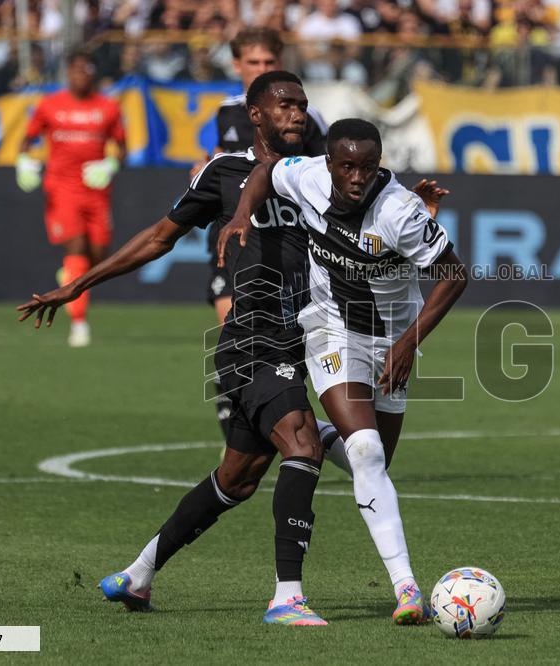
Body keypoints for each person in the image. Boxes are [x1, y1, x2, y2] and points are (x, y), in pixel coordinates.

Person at [17, 71, 330, 626]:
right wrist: (79, 284)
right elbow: (160, 237)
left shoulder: (318, 176)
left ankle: (137, 575)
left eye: (302, 105)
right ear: (256, 115)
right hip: (250, 339)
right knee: (302, 444)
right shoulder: (224, 173)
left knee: (237, 479)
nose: (298, 114)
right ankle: (287, 598)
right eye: (285, 104)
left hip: (299, 339)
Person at [218, 118, 468, 624]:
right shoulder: (308, 175)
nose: (357, 178)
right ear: (329, 162)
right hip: (331, 328)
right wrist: (243, 212)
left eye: (368, 167)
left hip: (393, 340)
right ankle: (407, 589)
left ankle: (293, 426)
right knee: (367, 450)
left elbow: (455, 275)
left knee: (373, 463)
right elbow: (265, 171)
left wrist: (407, 343)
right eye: (347, 166)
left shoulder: (399, 212)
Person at [204, 28, 328, 437]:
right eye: (253, 62)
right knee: (232, 330)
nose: (260, 68)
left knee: (279, 344)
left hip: (285, 237)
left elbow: (328, 173)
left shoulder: (307, 118)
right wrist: (204, 166)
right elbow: (224, 160)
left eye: (268, 62)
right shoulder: (227, 111)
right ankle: (238, 435)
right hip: (233, 234)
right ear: (237, 65)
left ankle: (277, 423)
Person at [16, 48, 126, 348]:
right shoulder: (50, 105)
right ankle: (79, 322)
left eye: (86, 69)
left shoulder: (108, 107)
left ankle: (70, 274)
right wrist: (23, 162)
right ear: (68, 72)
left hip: (96, 190)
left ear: (93, 72)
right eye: (76, 69)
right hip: (62, 188)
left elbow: (122, 147)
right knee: (76, 247)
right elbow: (27, 139)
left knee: (99, 256)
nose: (81, 75)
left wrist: (111, 164)